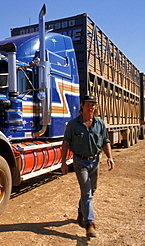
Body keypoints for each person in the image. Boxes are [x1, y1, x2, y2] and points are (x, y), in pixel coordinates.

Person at [61, 95, 115, 238]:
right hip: (80, 162)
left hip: (95, 161)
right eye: (88, 105)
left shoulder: (100, 124)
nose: (90, 108)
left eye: (93, 105)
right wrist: (63, 163)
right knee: (86, 192)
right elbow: (66, 143)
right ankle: (89, 223)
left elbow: (105, 141)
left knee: (92, 190)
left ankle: (81, 211)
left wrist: (110, 157)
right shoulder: (73, 125)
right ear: (82, 106)